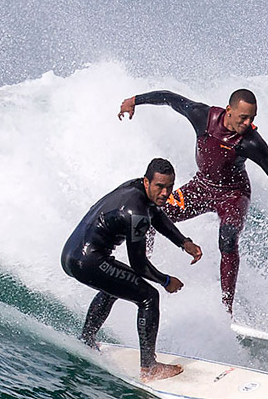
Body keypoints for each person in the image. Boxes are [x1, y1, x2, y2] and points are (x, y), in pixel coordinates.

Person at [118, 87, 268, 312]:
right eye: (243, 117)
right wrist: (135, 100)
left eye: (252, 118)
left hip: (233, 195)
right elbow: (170, 98)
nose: (247, 123)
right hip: (201, 187)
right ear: (229, 110)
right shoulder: (202, 116)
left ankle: (227, 308)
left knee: (227, 238)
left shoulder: (251, 143)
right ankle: (141, 266)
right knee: (151, 216)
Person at [61, 158, 204, 381]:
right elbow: (139, 265)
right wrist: (166, 281)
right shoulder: (135, 214)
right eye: (160, 186)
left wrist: (183, 242)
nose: (165, 193)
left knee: (116, 284)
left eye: (169, 186)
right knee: (148, 296)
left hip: (71, 254)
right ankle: (149, 367)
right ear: (147, 182)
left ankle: (87, 339)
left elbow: (155, 213)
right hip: (87, 261)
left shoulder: (134, 186)